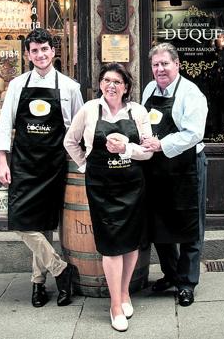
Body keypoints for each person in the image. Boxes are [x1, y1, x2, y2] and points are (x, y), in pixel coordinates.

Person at [0, 28, 84, 307]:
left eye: (44, 49)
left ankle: (37, 284)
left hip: (55, 164)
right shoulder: (17, 85)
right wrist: (2, 161)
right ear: (27, 54)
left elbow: (79, 130)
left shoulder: (70, 87)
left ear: (53, 52)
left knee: (44, 225)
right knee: (21, 222)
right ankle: (61, 269)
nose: (40, 55)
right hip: (24, 163)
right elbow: (4, 126)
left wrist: (80, 162)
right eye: (34, 50)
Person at [63, 63, 153, 332]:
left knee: (131, 244)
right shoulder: (90, 109)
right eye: (105, 80)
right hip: (101, 187)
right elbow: (70, 141)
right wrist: (85, 165)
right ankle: (116, 305)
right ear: (100, 84)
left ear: (126, 86)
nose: (110, 85)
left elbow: (148, 151)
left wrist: (127, 148)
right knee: (111, 244)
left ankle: (124, 292)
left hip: (132, 186)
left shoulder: (137, 112)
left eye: (116, 81)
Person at [140, 43, 208, 307]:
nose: (160, 69)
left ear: (177, 64)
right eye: (155, 65)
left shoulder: (191, 93)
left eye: (165, 64)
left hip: (187, 167)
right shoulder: (149, 90)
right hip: (158, 169)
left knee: (190, 225)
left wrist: (161, 144)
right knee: (160, 224)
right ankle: (171, 274)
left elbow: (194, 133)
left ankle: (187, 283)